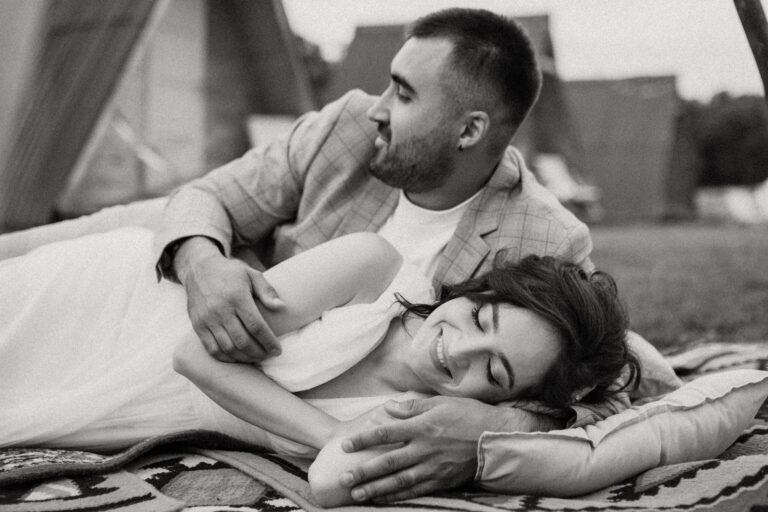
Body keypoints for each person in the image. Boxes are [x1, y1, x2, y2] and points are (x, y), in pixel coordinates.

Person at [153, 8, 612, 501]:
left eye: (404, 95)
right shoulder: (347, 128)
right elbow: (208, 196)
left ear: (469, 132)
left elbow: (610, 389)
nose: (378, 108)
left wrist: (495, 425)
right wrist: (200, 263)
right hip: (173, 287)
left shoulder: (546, 239)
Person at [0, 227, 639, 507]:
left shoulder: (422, 420)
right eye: (480, 317)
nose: (458, 348)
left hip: (126, 402)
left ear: (509, 400)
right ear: (477, 289)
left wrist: (523, 421)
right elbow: (195, 352)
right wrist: (330, 433)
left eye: (493, 373)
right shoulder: (372, 269)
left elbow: (333, 486)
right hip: (112, 306)